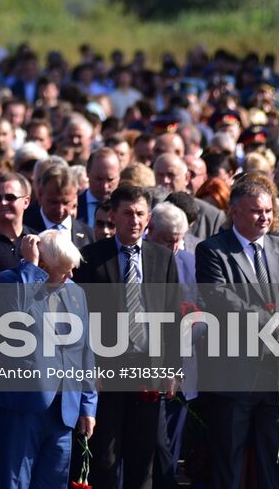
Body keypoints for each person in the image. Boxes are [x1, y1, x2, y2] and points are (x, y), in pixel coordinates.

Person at [195, 177, 279, 489]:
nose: (264, 217)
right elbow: (221, 300)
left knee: (274, 463)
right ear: (234, 212)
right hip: (234, 375)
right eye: (255, 211)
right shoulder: (213, 251)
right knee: (229, 464)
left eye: (268, 211)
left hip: (278, 374)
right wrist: (278, 326)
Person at [73, 184, 179, 489]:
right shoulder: (91, 259)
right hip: (106, 370)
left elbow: (172, 316)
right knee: (105, 456)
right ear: (113, 216)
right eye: (128, 213)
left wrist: (173, 369)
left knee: (142, 458)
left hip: (148, 368)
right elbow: (82, 320)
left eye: (140, 214)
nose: (134, 220)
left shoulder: (162, 258)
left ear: (148, 219)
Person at [0, 229, 97, 489]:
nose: (71, 276)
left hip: (64, 409)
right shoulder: (8, 283)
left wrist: (87, 405)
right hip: (21, 407)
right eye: (64, 270)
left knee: (54, 482)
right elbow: (16, 314)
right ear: (44, 265)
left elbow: (84, 353)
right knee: (13, 482)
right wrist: (30, 267)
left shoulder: (75, 292)